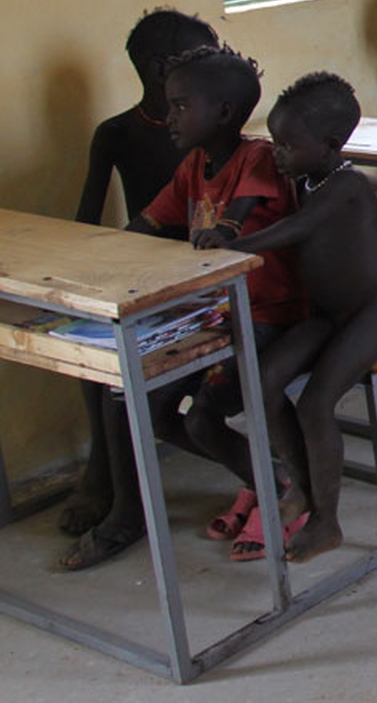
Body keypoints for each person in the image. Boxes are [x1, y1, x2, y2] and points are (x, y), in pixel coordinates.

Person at [63, 46, 306, 569]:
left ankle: (282, 487)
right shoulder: (193, 166)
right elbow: (146, 227)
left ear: (221, 112)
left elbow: (234, 220)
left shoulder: (257, 157)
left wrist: (224, 231)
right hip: (213, 317)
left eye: (179, 106)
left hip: (264, 317)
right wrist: (96, 262)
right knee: (134, 403)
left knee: (198, 423)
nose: (168, 117)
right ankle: (262, 479)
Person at [223, 73, 377, 561]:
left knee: (314, 404)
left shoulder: (346, 185)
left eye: (287, 144)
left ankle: (327, 521)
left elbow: (296, 229)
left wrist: (233, 249)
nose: (277, 152)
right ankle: (304, 487)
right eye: (274, 140)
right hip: (333, 315)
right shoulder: (309, 179)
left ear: (329, 145)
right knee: (262, 379)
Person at [60, 9, 220, 543]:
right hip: (142, 270)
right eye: (202, 57)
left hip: (203, 276)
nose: (214, 64)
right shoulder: (117, 133)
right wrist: (85, 279)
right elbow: (90, 221)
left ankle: (117, 496)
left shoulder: (214, 130)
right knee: (89, 349)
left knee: (123, 369)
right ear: (159, 70)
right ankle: (101, 474)